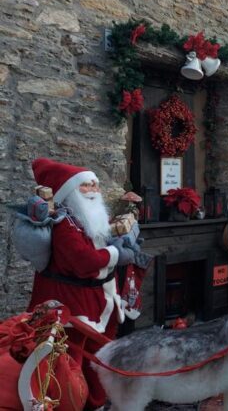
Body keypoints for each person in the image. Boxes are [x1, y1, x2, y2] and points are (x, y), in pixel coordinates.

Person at [27, 158, 142, 409]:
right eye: (86, 186)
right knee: (70, 363)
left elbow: (100, 239)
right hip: (72, 308)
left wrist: (121, 241)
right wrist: (116, 254)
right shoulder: (65, 225)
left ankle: (95, 402)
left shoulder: (86, 218)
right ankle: (71, 404)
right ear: (69, 193)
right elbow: (83, 260)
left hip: (96, 304)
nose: (93, 190)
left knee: (96, 359)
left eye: (95, 185)